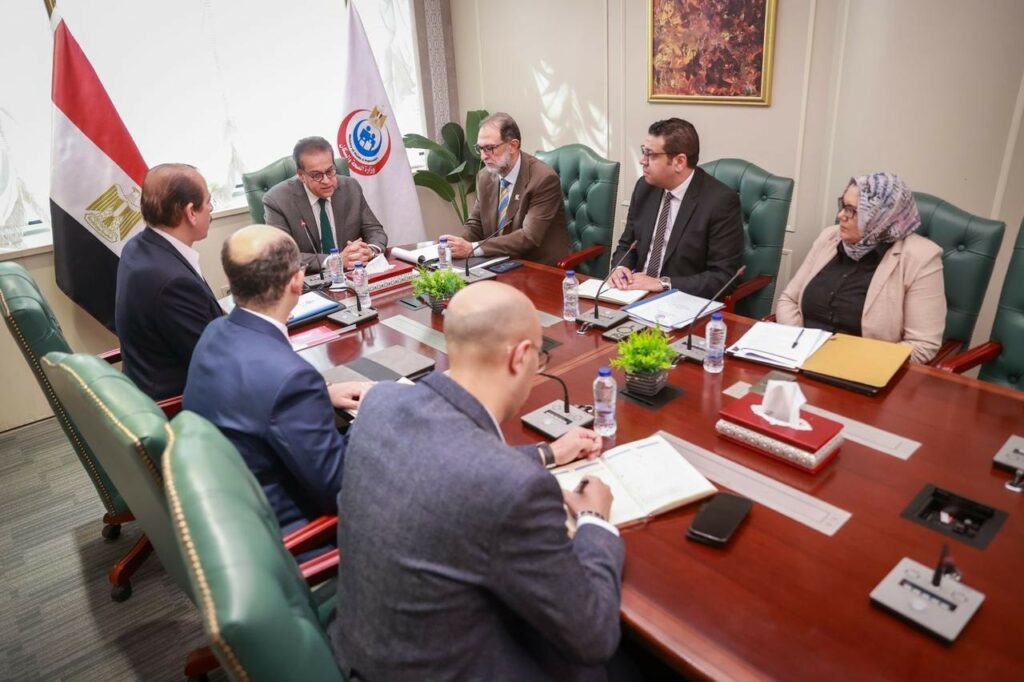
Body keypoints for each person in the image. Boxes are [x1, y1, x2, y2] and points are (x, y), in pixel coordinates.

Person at [331, 281, 625, 681]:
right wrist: (595, 522)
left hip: (363, 651)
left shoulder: (381, 402)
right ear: (520, 357)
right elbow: (593, 637)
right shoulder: (512, 487)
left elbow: (442, 457)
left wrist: (548, 453)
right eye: (540, 357)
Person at [183, 225, 369, 533]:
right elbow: (340, 487)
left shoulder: (215, 331)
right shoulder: (292, 379)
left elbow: (256, 397)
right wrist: (372, 414)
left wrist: (321, 394)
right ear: (297, 281)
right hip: (291, 533)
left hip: (229, 507)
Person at [776, 173, 945, 363]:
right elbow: (788, 299)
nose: (841, 215)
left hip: (863, 367)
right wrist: (799, 343)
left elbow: (922, 345)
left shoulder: (921, 258)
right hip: (799, 354)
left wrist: (850, 361)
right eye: (843, 205)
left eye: (852, 210)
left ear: (880, 217)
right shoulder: (829, 237)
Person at [114, 163, 223, 401]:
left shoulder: (139, 246)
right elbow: (217, 363)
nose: (211, 208)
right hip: (181, 404)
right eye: (208, 201)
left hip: (155, 381)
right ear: (191, 212)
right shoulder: (173, 283)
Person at [608, 118, 744, 298]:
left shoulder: (720, 201)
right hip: (635, 293)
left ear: (679, 162)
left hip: (681, 300)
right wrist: (620, 268)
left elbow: (724, 277)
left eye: (650, 155)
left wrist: (663, 284)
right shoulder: (645, 187)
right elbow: (628, 245)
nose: (642, 161)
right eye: (643, 152)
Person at [443, 113, 570, 266]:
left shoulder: (543, 179)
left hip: (536, 265)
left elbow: (528, 237)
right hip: (497, 261)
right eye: (480, 148)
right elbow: (475, 224)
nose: (483, 156)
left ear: (513, 146)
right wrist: (454, 244)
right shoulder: (485, 176)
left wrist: (472, 248)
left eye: (490, 148)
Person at [263, 136, 387, 273]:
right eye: (317, 175)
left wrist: (369, 250)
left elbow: (375, 230)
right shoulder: (277, 200)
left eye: (330, 171)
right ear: (301, 175)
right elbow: (281, 255)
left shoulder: (351, 187)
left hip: (353, 273)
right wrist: (334, 261)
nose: (327, 181)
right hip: (308, 279)